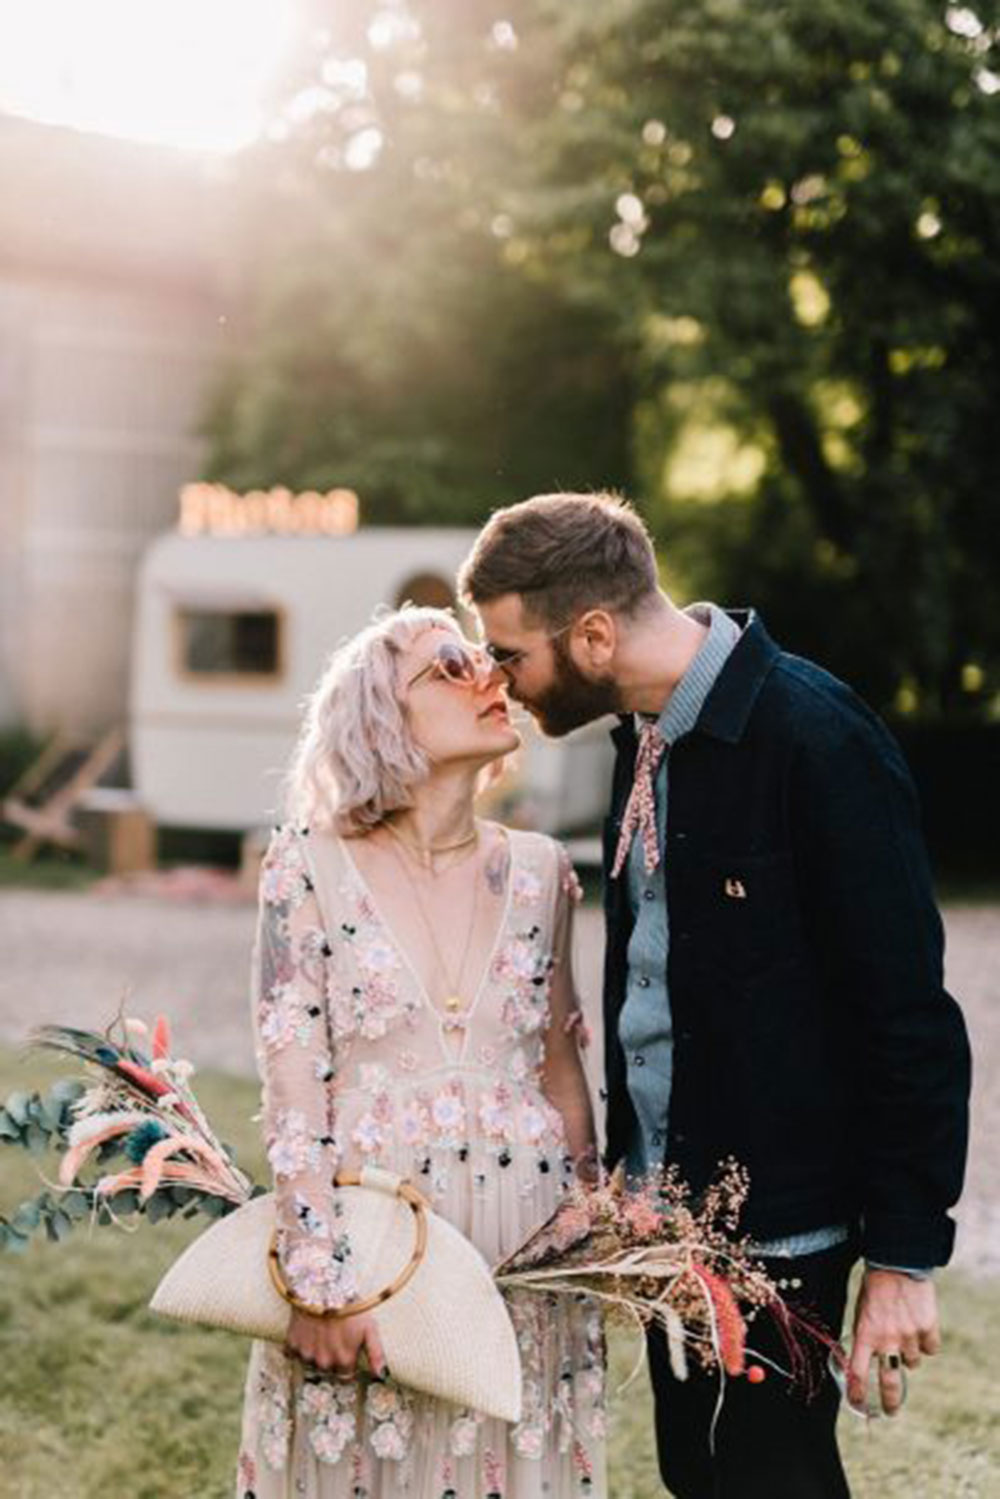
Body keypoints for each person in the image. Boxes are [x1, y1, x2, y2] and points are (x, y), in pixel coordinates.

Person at [459, 491, 972, 1499]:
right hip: (662, 1217)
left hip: (784, 1221)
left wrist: (905, 1258)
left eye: (511, 654)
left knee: (770, 1474)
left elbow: (907, 1015)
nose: (498, 680)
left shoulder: (817, 738)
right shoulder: (641, 738)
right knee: (696, 1471)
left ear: (595, 633)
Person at [235, 605, 606, 1499]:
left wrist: (593, 1227)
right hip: (369, 1272)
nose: (490, 675)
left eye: (486, 657)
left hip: (525, 1270)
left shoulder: (543, 870)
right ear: (379, 713)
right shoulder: (306, 867)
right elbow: (292, 1086)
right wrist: (317, 1282)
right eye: (449, 664)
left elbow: (561, 1070)